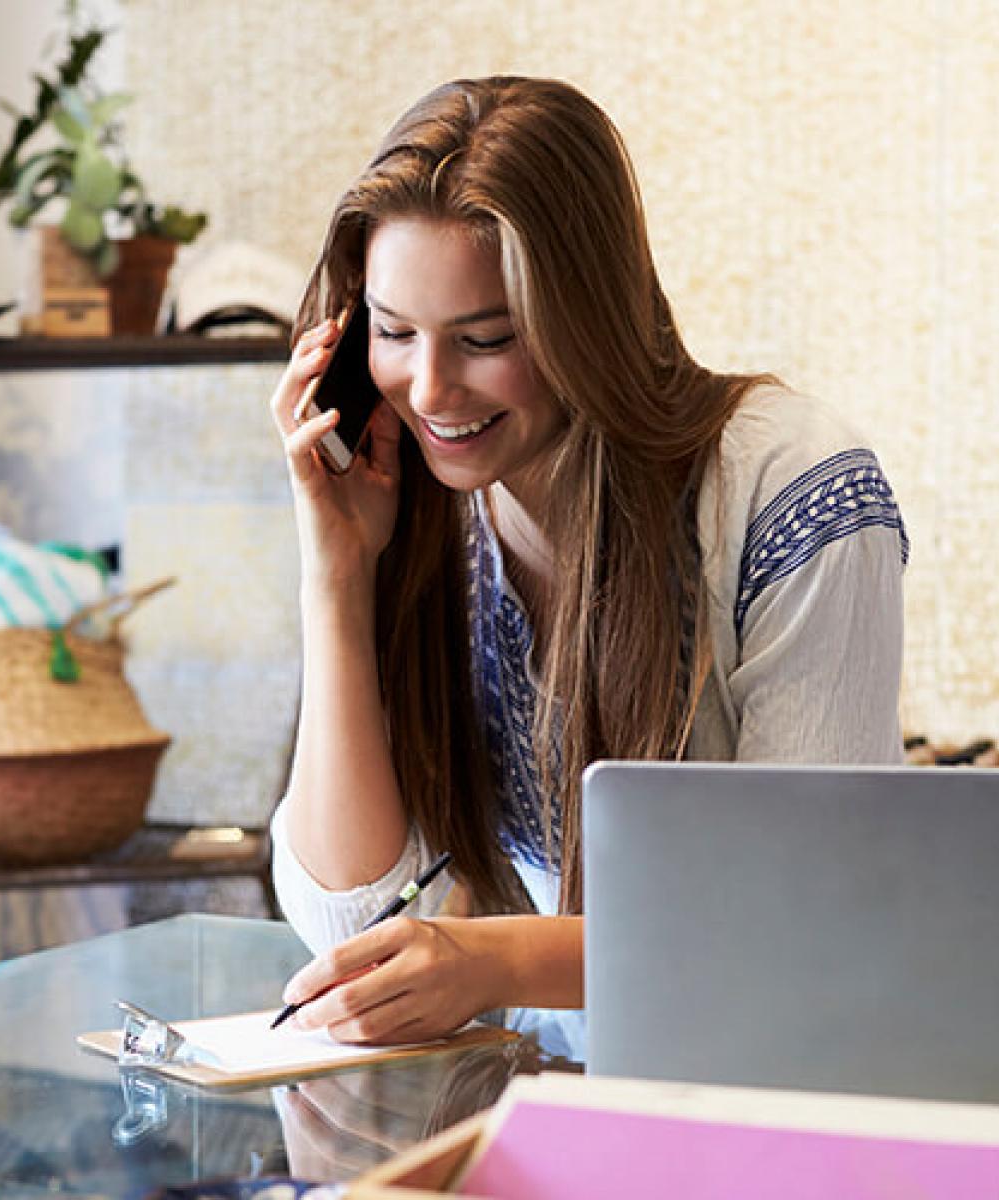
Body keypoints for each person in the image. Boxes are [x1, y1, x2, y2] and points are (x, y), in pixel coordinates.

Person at [268, 75, 908, 1046]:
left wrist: (501, 959)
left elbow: (803, 914)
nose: (429, 389)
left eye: (487, 340)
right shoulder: (414, 508)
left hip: (792, 1085)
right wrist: (338, 573)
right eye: (394, 334)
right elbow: (353, 922)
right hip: (568, 1099)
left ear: (587, 322)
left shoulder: (795, 487)